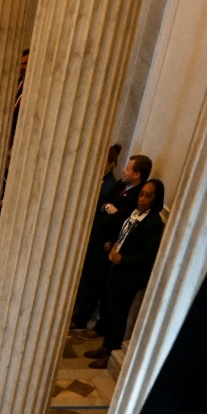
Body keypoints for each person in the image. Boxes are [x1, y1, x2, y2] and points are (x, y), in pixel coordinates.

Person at [71, 154, 151, 333]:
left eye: (129, 168)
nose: (124, 170)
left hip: (109, 244)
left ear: (137, 174)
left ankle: (82, 318)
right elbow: (100, 202)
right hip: (98, 237)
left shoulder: (135, 196)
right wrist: (107, 208)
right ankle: (77, 313)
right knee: (86, 276)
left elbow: (116, 221)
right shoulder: (121, 185)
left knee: (95, 282)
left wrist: (106, 214)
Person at [96, 177, 167, 367]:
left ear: (155, 199)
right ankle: (105, 345)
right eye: (142, 194)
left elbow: (148, 257)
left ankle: (111, 352)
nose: (142, 199)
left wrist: (123, 259)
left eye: (148, 196)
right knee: (110, 310)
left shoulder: (152, 223)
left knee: (119, 315)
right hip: (117, 270)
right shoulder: (134, 215)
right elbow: (125, 237)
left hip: (129, 277)